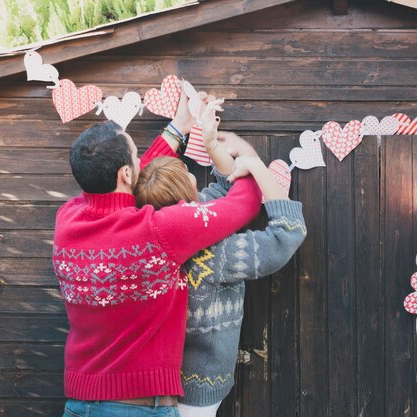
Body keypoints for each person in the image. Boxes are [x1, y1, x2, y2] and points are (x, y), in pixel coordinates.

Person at [53, 90, 262, 417]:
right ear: (126, 174)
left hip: (78, 405)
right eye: (137, 157)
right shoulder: (159, 230)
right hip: (139, 408)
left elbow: (124, 180)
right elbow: (243, 204)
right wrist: (244, 157)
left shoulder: (67, 218)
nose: (142, 161)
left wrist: (178, 127)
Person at [134, 99, 307, 417]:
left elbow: (219, 192)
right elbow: (286, 237)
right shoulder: (211, 254)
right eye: (186, 173)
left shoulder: (144, 236)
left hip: (155, 381)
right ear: (186, 194)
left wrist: (211, 144)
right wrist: (254, 165)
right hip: (197, 393)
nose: (191, 173)